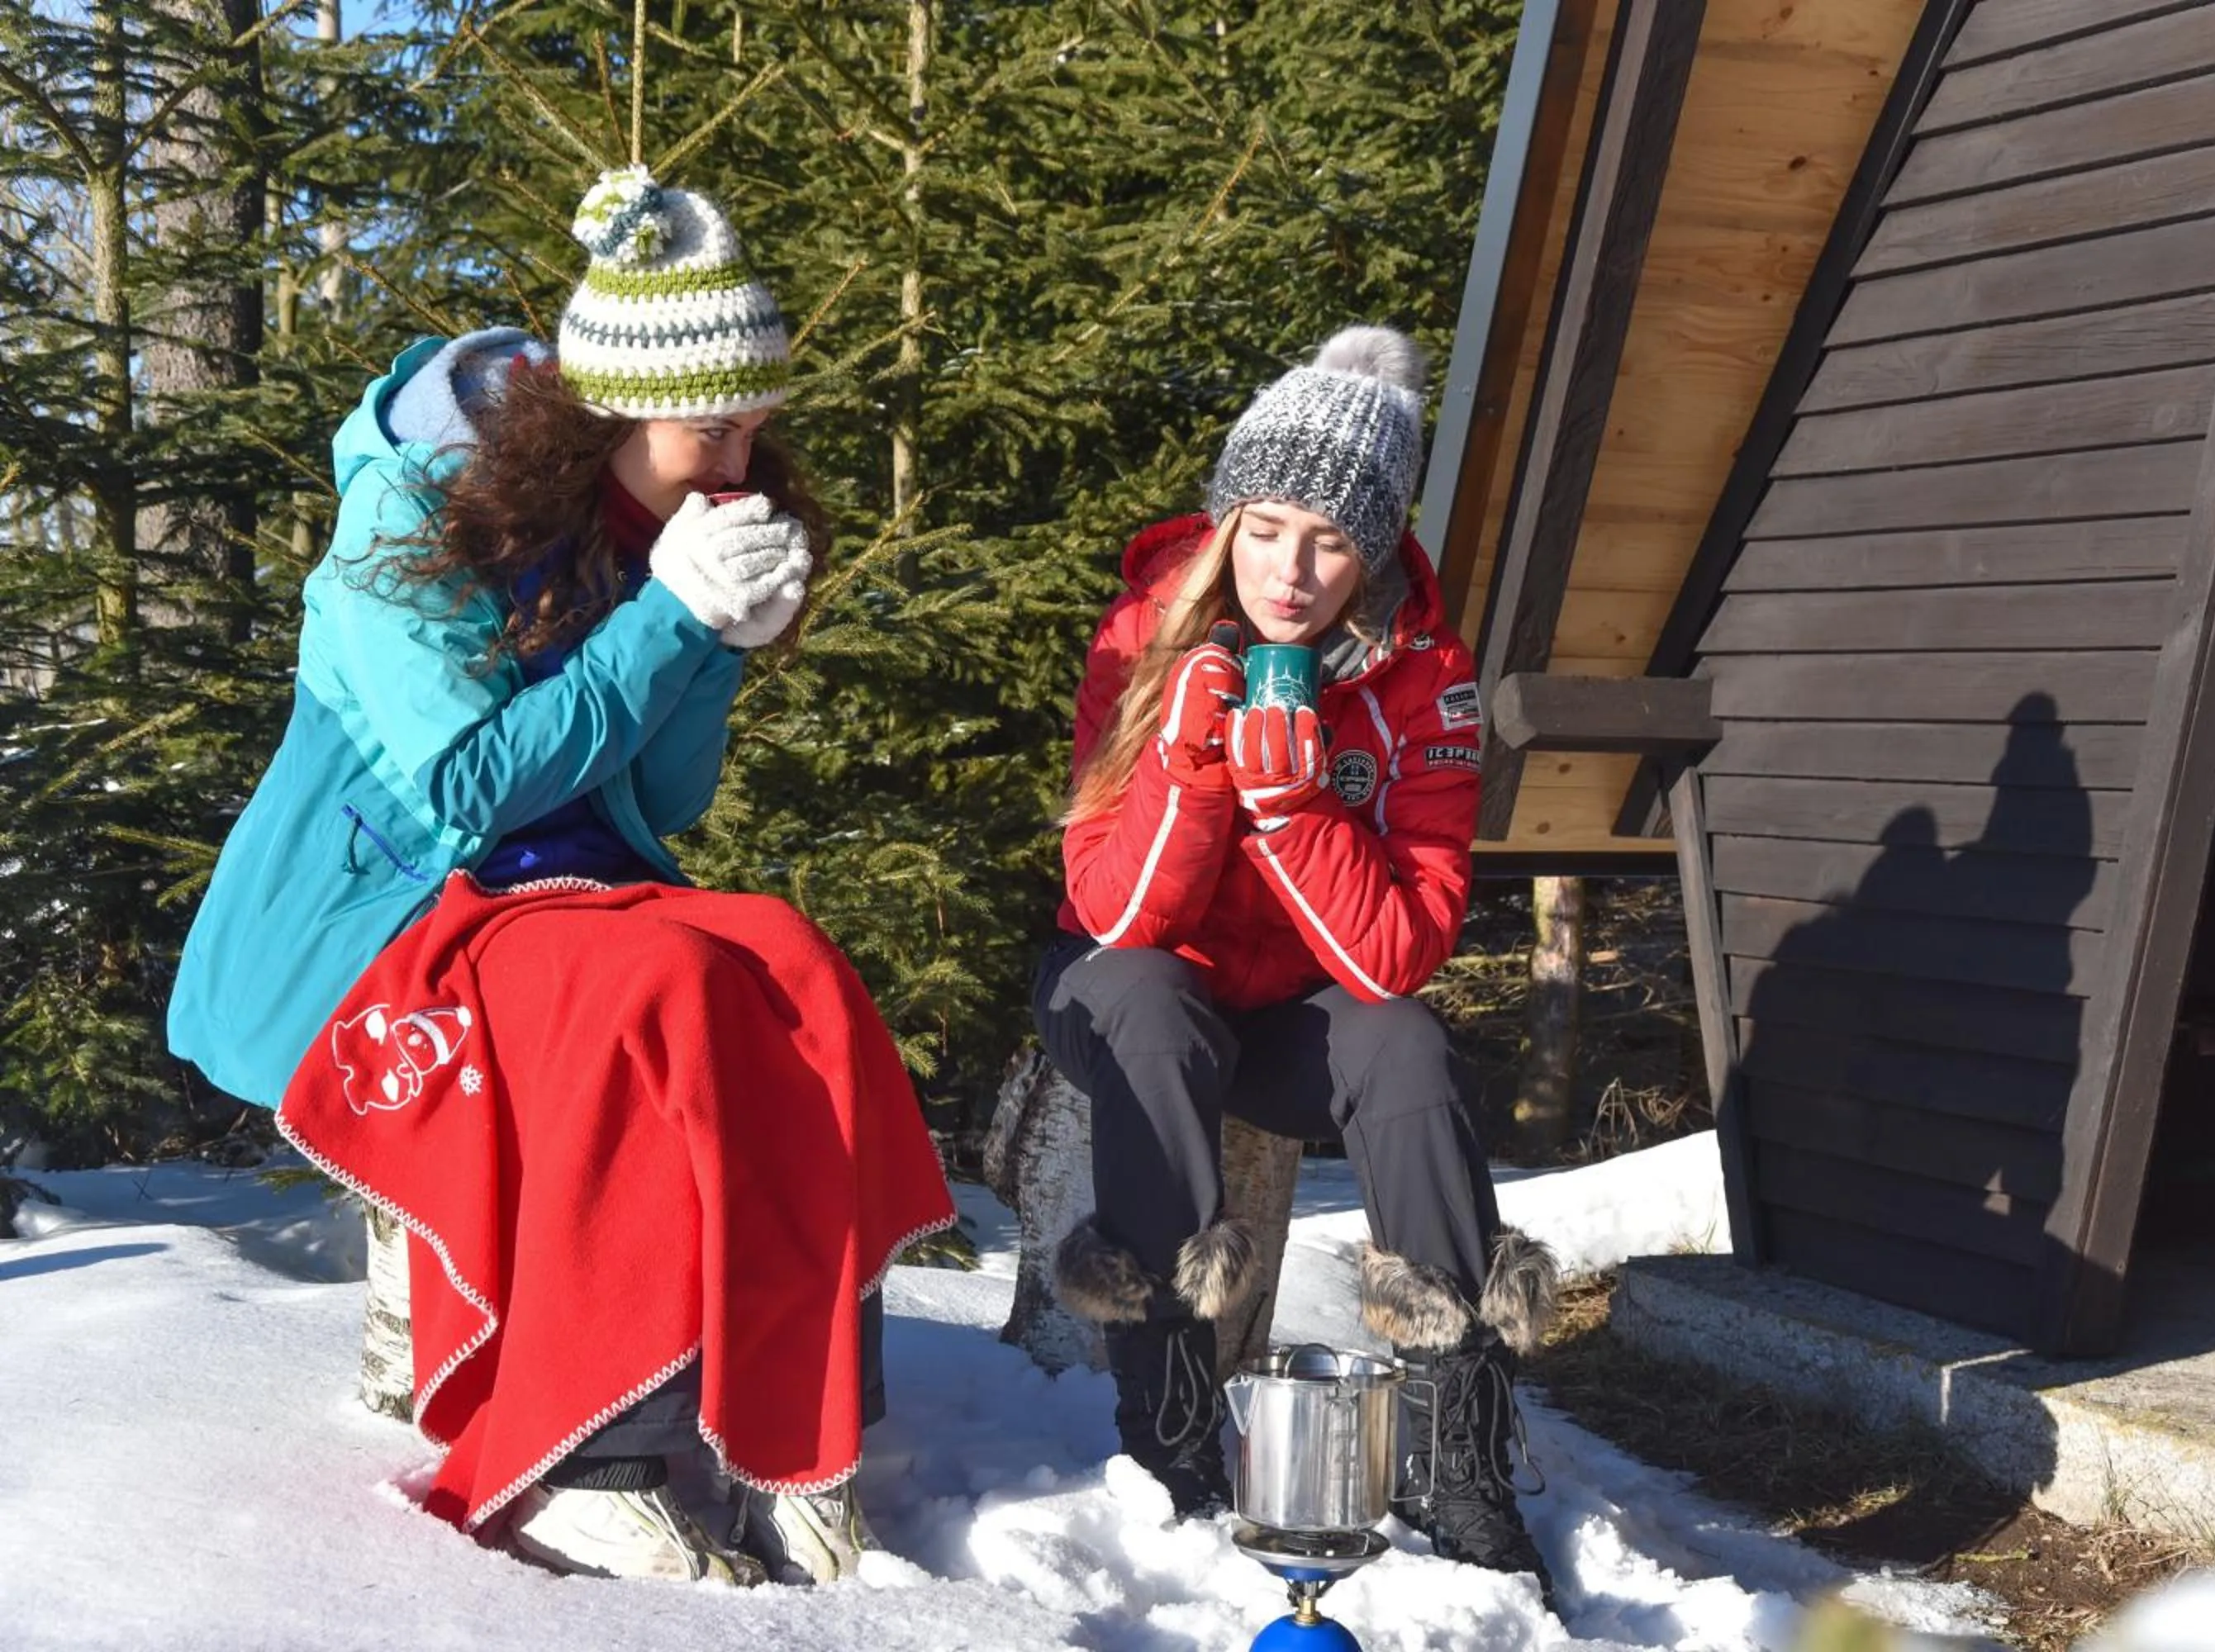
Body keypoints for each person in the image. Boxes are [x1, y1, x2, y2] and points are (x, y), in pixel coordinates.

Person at [166, 166, 953, 1587]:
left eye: (759, 427)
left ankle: (804, 1426)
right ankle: (593, 1449)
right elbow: (468, 791)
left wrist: (715, 650)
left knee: (792, 967)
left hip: (573, 888)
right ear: (606, 414)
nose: (742, 465)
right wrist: (668, 626)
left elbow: (664, 799)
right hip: (395, 909)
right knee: (642, 994)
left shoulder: (642, 521)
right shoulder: (402, 537)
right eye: (715, 429)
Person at [1033, 326, 1558, 1595]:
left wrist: (1297, 809)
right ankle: (1168, 1432)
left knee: (1409, 1047)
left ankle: (1456, 1452)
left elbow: (1399, 954)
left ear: (1373, 548)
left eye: (1330, 540)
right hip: (1131, 984)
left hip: (1297, 1014)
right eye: (1267, 528)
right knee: (1152, 1008)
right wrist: (1193, 772)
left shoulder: (1426, 683)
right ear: (1230, 521)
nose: (1292, 568)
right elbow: (1115, 913)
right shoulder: (1145, 635)